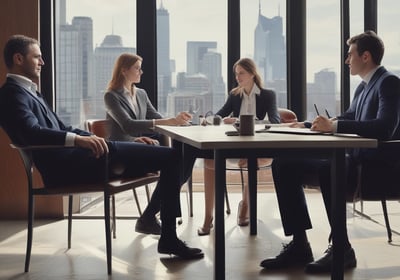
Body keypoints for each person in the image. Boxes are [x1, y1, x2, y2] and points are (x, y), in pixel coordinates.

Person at [0, 34, 203, 260]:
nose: (42, 62)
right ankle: (166, 236)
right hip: (71, 167)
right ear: (19, 58)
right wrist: (79, 141)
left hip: (87, 156)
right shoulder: (11, 94)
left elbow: (62, 126)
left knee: (173, 156)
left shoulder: (29, 91)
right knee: (172, 157)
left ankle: (158, 227)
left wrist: (95, 139)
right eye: (37, 57)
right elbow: (31, 133)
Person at [260, 30, 400, 273]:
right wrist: (308, 124)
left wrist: (334, 126)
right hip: (353, 160)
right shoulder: (363, 87)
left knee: (329, 168)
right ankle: (299, 245)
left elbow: (384, 129)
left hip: (375, 167)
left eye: (350, 55)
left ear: (365, 56)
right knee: (284, 164)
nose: (347, 60)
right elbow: (347, 118)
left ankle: (342, 248)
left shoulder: (389, 83)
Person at [104, 53, 193, 235]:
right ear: (124, 70)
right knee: (175, 165)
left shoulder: (141, 94)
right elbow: (127, 125)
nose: (141, 72)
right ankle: (153, 220)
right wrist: (164, 123)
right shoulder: (111, 96)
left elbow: (157, 118)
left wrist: (178, 120)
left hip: (139, 149)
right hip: (119, 157)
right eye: (137, 68)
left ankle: (149, 217)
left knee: (182, 166)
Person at [197, 57, 280, 235]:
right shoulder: (235, 95)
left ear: (252, 73)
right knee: (209, 161)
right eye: (236, 74)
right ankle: (208, 217)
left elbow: (275, 121)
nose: (238, 77)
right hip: (234, 145)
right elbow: (219, 115)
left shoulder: (268, 95)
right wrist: (207, 120)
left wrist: (246, 121)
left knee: (252, 161)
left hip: (257, 147)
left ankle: (245, 206)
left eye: (241, 73)